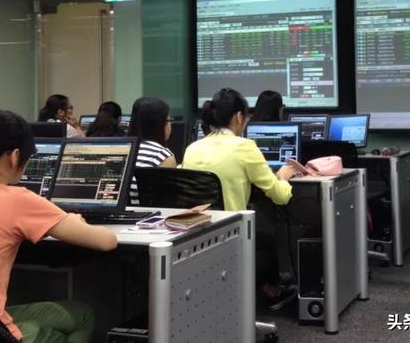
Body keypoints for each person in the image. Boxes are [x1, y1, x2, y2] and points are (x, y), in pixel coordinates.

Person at [0, 110, 117, 342]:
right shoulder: (16, 200)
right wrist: (75, 221)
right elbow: (106, 241)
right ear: (14, 157)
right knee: (82, 315)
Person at [183, 88, 297, 310]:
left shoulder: (192, 148)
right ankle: (272, 292)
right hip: (230, 237)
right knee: (266, 239)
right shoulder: (245, 147)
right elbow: (281, 197)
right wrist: (283, 177)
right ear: (238, 116)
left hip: (195, 239)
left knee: (262, 239)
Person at [127, 97, 176, 204]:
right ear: (160, 124)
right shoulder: (163, 156)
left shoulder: (122, 149)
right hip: (145, 213)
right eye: (169, 120)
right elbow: (166, 202)